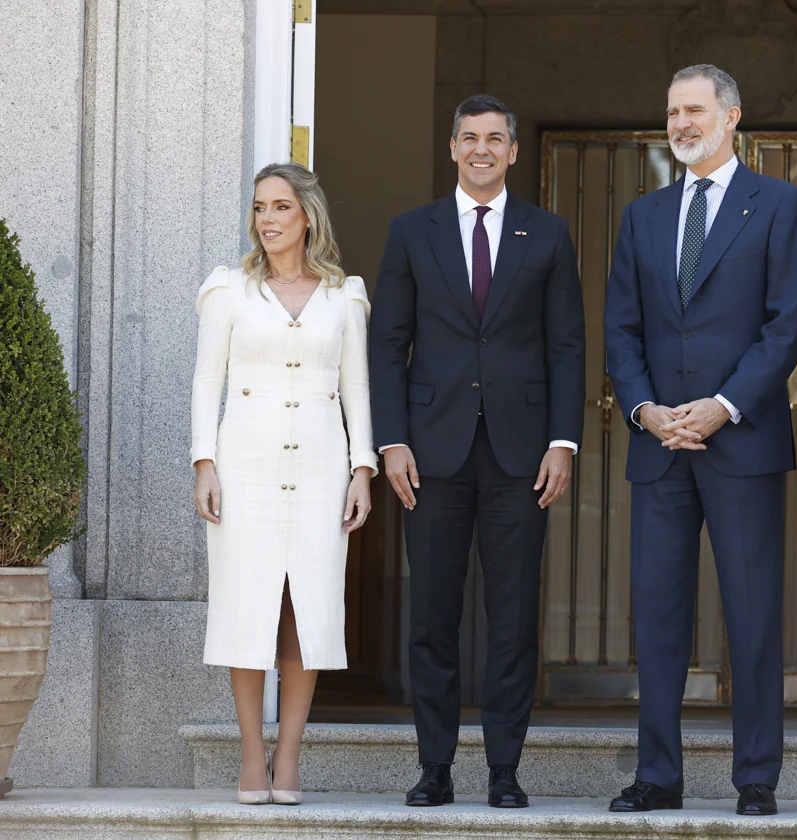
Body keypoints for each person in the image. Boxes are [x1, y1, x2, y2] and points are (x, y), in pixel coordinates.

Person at [603, 64, 797, 816]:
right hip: (660, 447)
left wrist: (725, 405)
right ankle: (657, 776)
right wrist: (645, 411)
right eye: (672, 111)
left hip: (743, 441)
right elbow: (621, 328)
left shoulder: (781, 205)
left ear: (731, 116)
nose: (680, 122)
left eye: (694, 109)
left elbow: (788, 323)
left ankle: (755, 778)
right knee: (656, 617)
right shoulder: (643, 215)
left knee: (753, 616)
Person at [369, 94, 586, 809]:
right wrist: (391, 439)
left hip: (523, 457)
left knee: (512, 617)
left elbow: (565, 344)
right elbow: (387, 344)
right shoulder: (411, 231)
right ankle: (434, 767)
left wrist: (563, 440)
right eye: (471, 138)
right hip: (430, 455)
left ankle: (503, 769)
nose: (483, 149)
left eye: (496, 138)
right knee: (431, 617)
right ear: (453, 148)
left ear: (514, 151)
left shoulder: (548, 234)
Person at [190, 162, 377, 805]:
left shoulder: (343, 294)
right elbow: (205, 381)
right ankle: (250, 756)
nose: (267, 220)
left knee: (308, 612)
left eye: (280, 207)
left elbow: (355, 388)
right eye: (260, 208)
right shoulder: (229, 290)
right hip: (246, 467)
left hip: (322, 468)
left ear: (308, 216)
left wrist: (363, 469)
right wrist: (203, 462)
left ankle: (289, 755)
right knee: (248, 607)